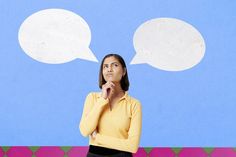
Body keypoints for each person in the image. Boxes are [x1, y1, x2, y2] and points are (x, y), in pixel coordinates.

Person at [79, 54, 142, 157]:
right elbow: (85, 130)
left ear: (124, 71)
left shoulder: (134, 104)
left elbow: (132, 146)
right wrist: (102, 100)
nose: (109, 69)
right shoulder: (93, 98)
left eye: (115, 65)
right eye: (105, 66)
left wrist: (98, 138)